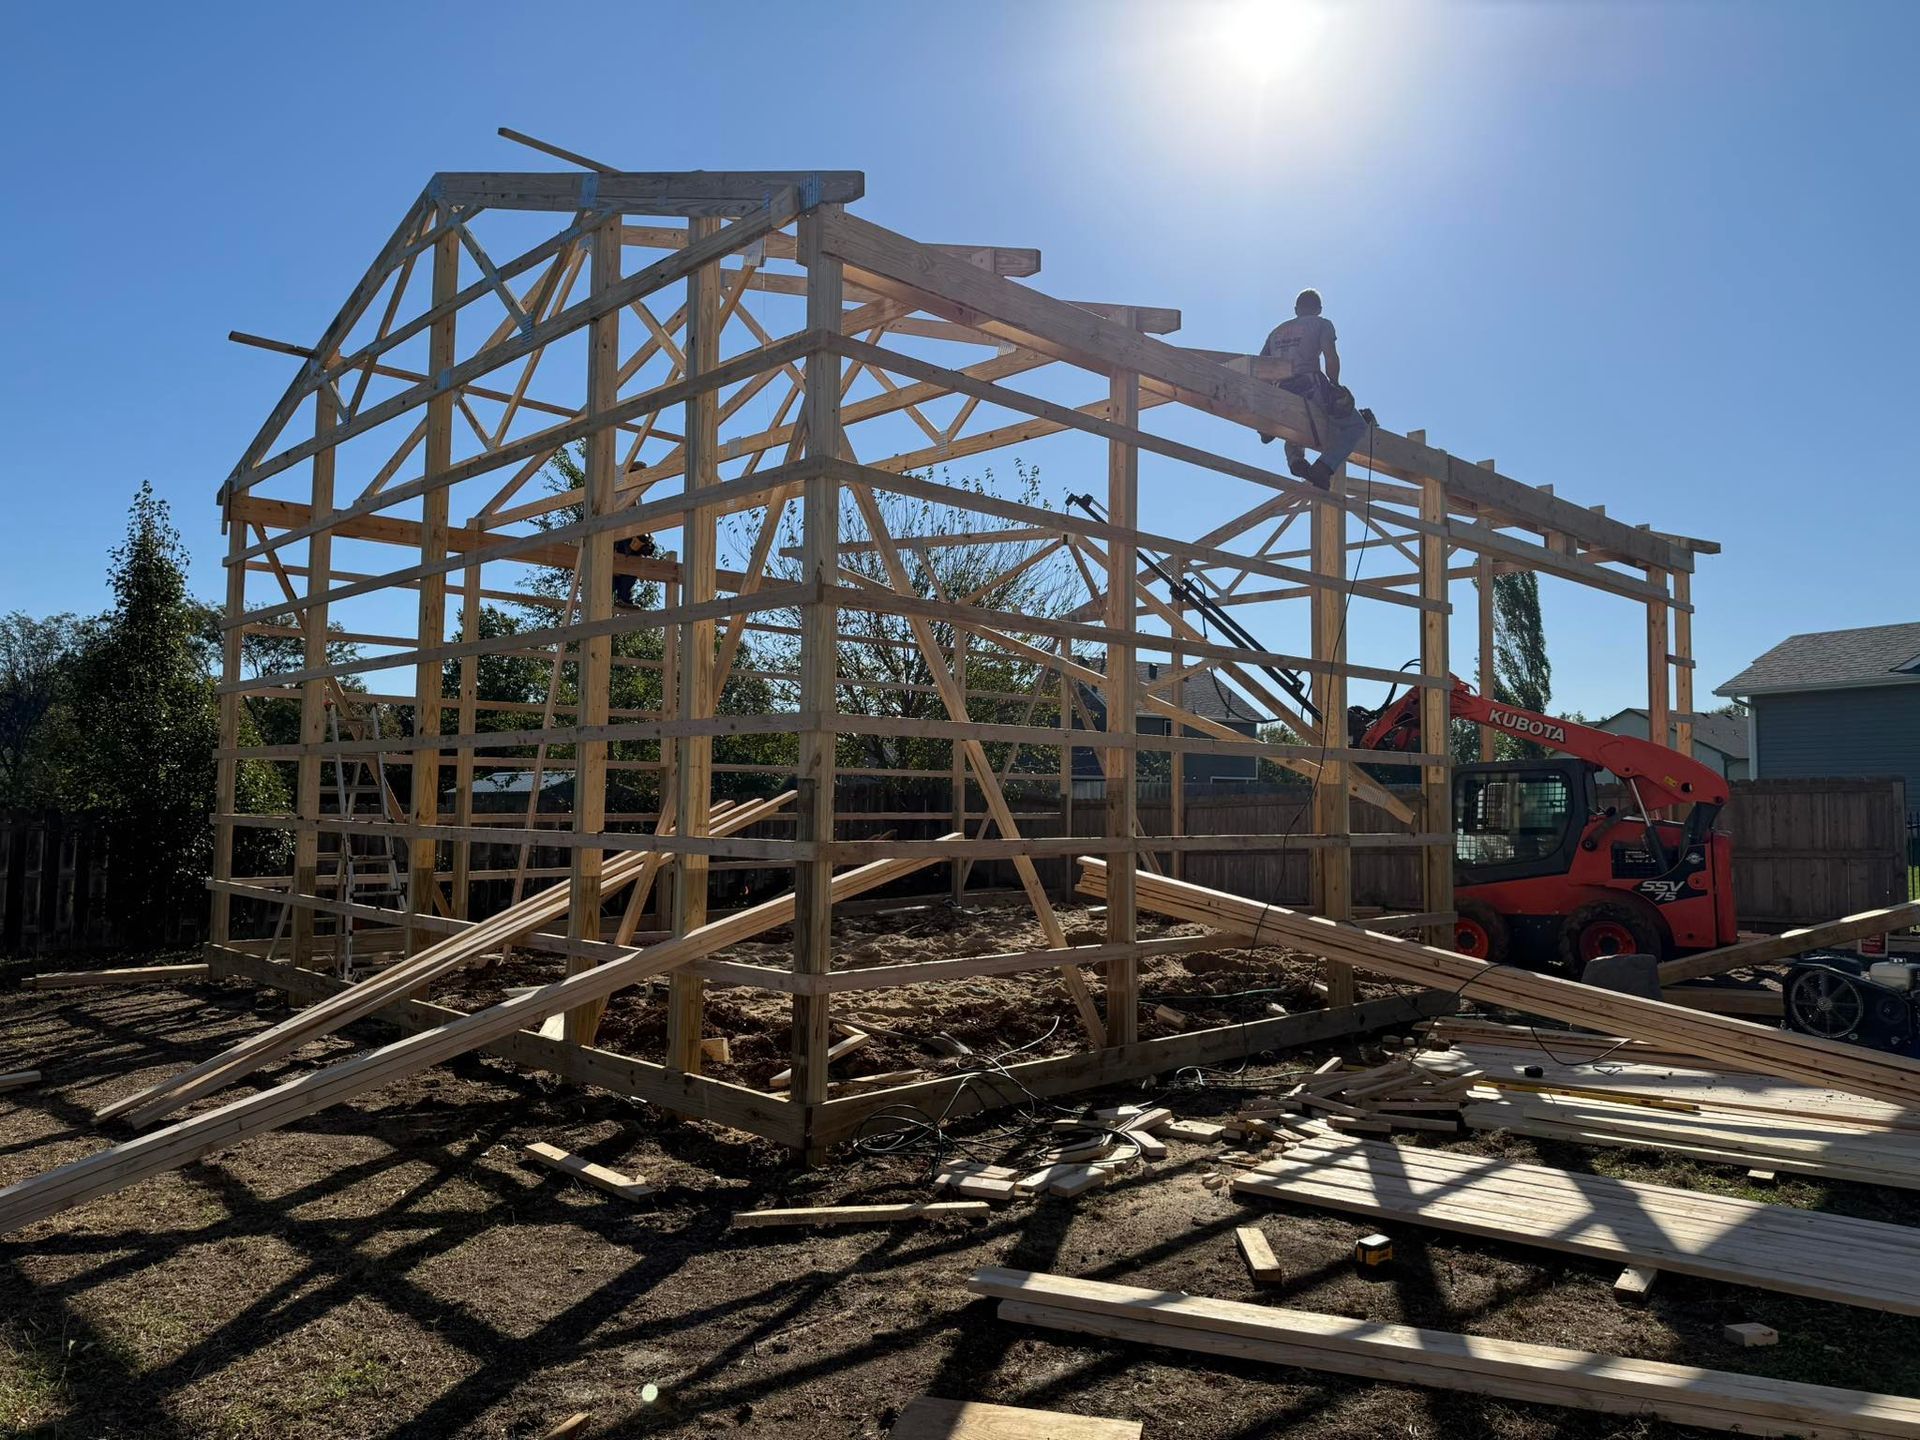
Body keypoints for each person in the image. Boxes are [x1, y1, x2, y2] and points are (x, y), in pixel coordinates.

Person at [1258, 288, 1372, 491]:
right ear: (1319, 309)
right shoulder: (1321, 324)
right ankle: (1324, 467)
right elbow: (1330, 355)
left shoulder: (1276, 332)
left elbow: (1261, 368)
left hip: (1281, 389)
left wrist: (1265, 412)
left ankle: (1296, 462)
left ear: (1296, 309)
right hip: (1309, 383)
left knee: (1296, 423)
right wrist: (1335, 387)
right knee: (1355, 426)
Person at [611, 530, 658, 609]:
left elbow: (647, 548)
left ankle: (623, 600)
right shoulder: (626, 530)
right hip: (619, 559)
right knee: (611, 585)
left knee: (627, 578)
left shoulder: (644, 535)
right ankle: (622, 599)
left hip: (628, 563)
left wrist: (647, 547)